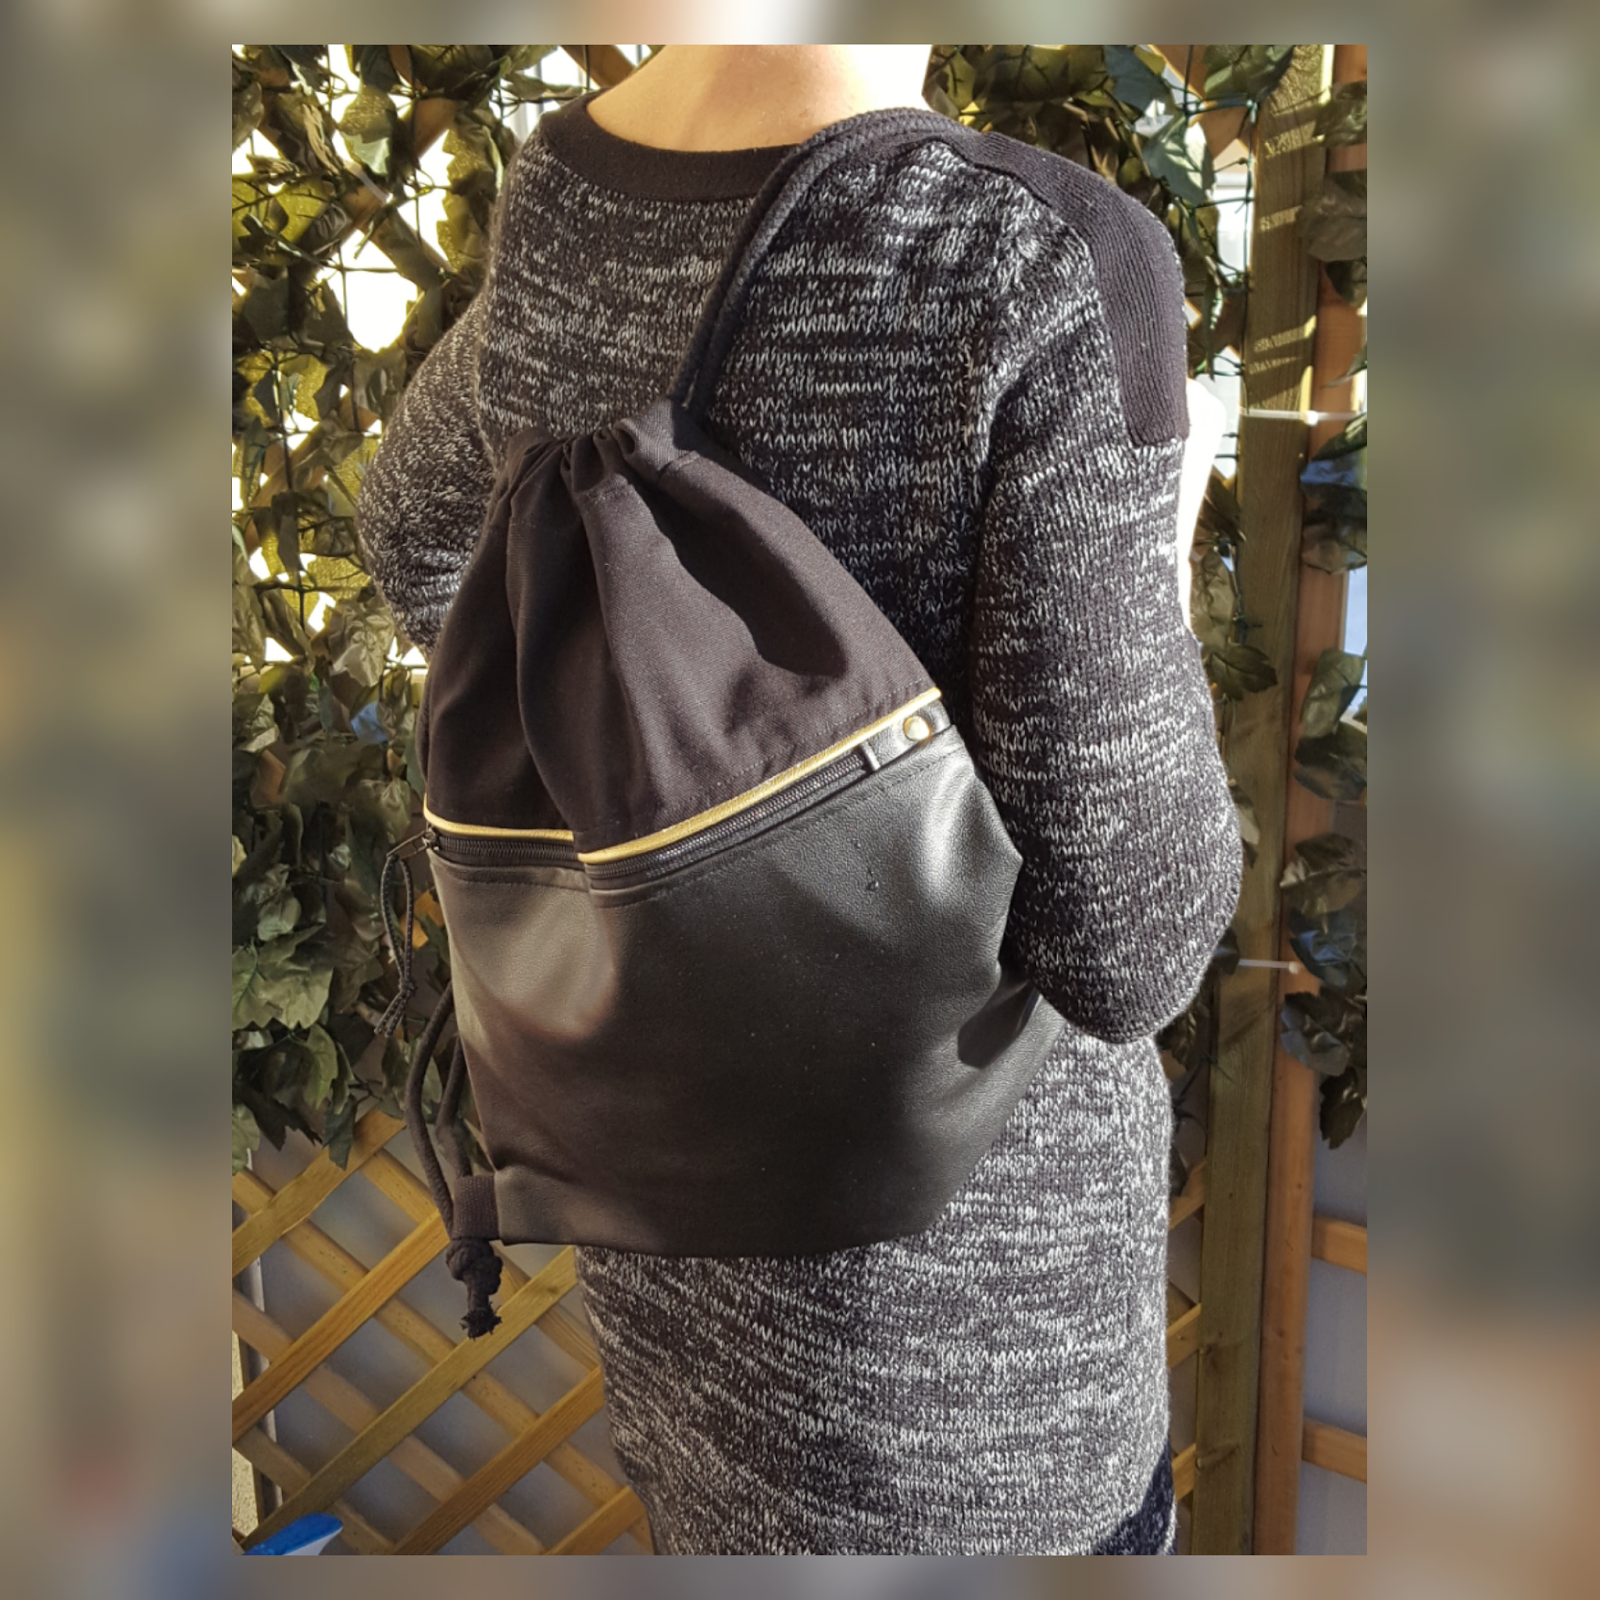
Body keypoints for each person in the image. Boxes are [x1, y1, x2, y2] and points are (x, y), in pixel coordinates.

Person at [357, 45, 1241, 1555]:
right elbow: (1128, 947)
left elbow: (406, 535)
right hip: (975, 1404)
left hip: (681, 1315)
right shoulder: (1037, 254)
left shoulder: (571, 193)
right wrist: (1158, 558)